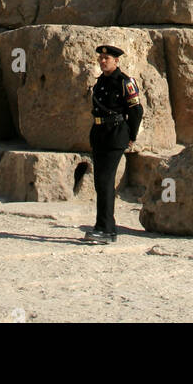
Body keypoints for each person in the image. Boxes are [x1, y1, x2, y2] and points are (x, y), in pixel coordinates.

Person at [81, 44, 143, 244]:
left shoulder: (125, 82)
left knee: (106, 181)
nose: (102, 61)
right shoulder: (100, 83)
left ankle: (104, 229)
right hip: (99, 134)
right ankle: (107, 228)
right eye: (100, 58)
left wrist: (131, 136)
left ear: (116, 61)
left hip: (116, 134)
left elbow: (136, 111)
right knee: (100, 182)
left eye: (106, 59)